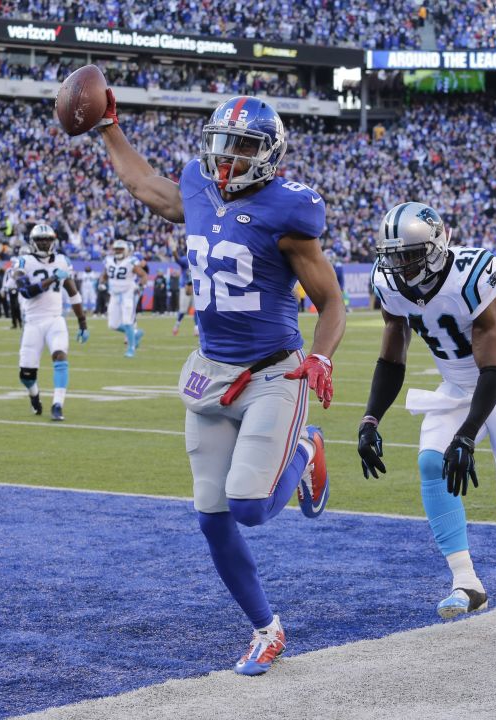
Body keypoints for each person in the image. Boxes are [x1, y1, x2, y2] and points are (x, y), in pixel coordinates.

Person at [93, 92, 345, 675]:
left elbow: (332, 301)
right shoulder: (197, 186)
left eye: (243, 148)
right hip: (212, 371)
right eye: (223, 144)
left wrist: (322, 358)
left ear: (270, 154)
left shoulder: (290, 212)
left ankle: (306, 451)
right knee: (212, 515)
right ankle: (266, 628)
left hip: (273, 373)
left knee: (250, 507)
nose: (228, 158)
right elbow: (143, 186)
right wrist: (108, 128)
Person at [357, 202, 496, 620]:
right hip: (457, 387)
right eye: (394, 256)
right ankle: (466, 581)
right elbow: (392, 356)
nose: (401, 266)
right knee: (429, 463)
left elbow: (493, 366)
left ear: (438, 246)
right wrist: (371, 419)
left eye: (410, 254)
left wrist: (467, 434)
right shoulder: (389, 284)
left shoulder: (473, 276)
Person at [14, 223, 90, 421]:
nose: (45, 243)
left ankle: (58, 405)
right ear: (33, 242)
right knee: (26, 374)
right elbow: (25, 291)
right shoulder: (24, 261)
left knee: (60, 356)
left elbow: (73, 293)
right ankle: (34, 395)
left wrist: (82, 322)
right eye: (40, 240)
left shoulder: (62, 261)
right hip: (33, 321)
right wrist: (51, 279)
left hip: (55, 319)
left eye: (48, 239)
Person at [101, 239, 150, 358]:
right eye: (116, 249)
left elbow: (143, 275)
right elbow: (105, 274)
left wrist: (141, 286)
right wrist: (102, 282)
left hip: (128, 293)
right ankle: (135, 333)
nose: (118, 251)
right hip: (114, 294)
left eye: (120, 249)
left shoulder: (130, 261)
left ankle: (131, 348)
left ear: (126, 250)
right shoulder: (108, 261)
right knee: (113, 324)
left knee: (128, 321)